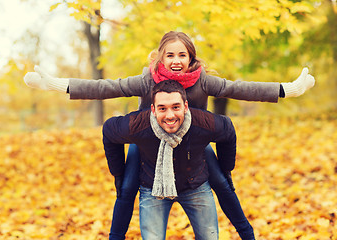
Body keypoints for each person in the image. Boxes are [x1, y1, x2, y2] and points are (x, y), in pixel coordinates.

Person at [24, 31, 315, 239]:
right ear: (161, 57)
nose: (176, 60)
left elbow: (239, 88)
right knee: (126, 190)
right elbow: (106, 87)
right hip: (150, 142)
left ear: (191, 58)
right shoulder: (147, 80)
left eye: (182, 54)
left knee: (225, 185)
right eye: (170, 54)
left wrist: (286, 89)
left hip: (193, 144)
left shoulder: (203, 81)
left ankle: (247, 234)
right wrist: (56, 84)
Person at [103, 80, 238, 239]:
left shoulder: (202, 122)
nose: (170, 115)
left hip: (196, 186)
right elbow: (109, 130)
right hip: (153, 188)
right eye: (162, 108)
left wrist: (226, 167)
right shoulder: (138, 125)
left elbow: (228, 130)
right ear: (153, 110)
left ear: (185, 106)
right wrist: (118, 172)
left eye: (176, 107)